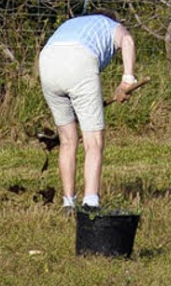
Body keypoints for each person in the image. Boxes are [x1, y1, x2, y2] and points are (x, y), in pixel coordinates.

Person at [38, 12, 138, 211]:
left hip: (47, 62)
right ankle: (91, 203)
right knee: (93, 141)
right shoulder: (110, 24)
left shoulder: (73, 23)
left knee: (67, 140)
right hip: (79, 60)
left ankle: (68, 203)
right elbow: (127, 40)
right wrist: (127, 80)